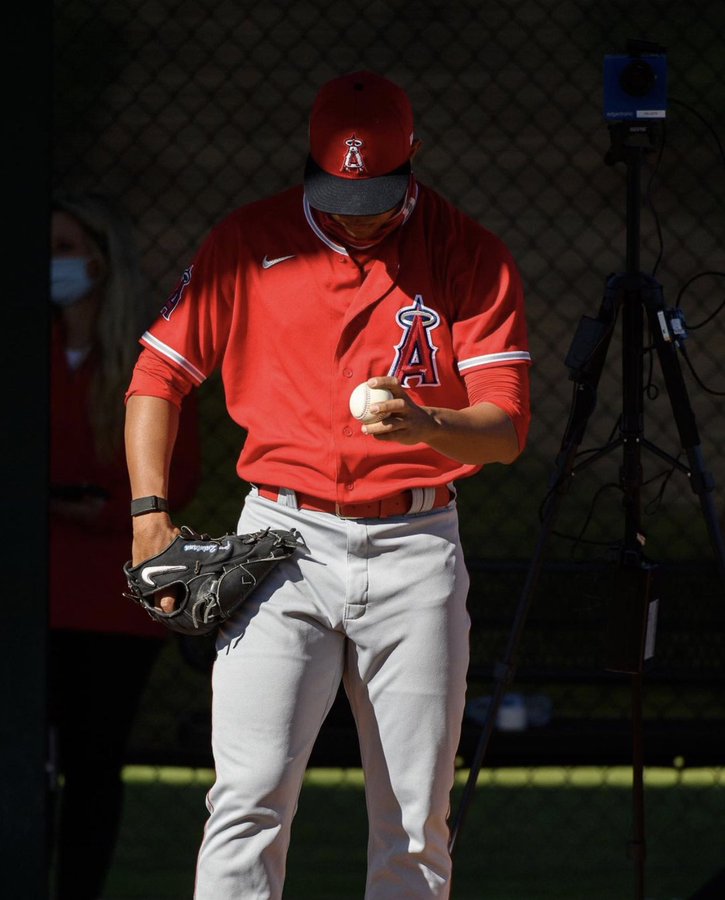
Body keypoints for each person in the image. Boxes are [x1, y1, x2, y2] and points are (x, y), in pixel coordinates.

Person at [124, 71, 531, 899]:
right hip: (281, 538)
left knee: (416, 825)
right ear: (311, 164)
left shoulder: (465, 250)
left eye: (378, 191)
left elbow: (506, 429)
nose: (359, 208)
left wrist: (426, 425)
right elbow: (155, 378)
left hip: (416, 542)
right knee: (246, 800)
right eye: (342, 189)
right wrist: (147, 516)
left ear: (413, 160)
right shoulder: (248, 241)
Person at [48, 192, 202, 900]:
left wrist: (108, 509)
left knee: (91, 760)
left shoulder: (148, 358)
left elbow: (181, 472)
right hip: (33, 587)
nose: (50, 266)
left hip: (111, 596)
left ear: (102, 262)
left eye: (63, 250)